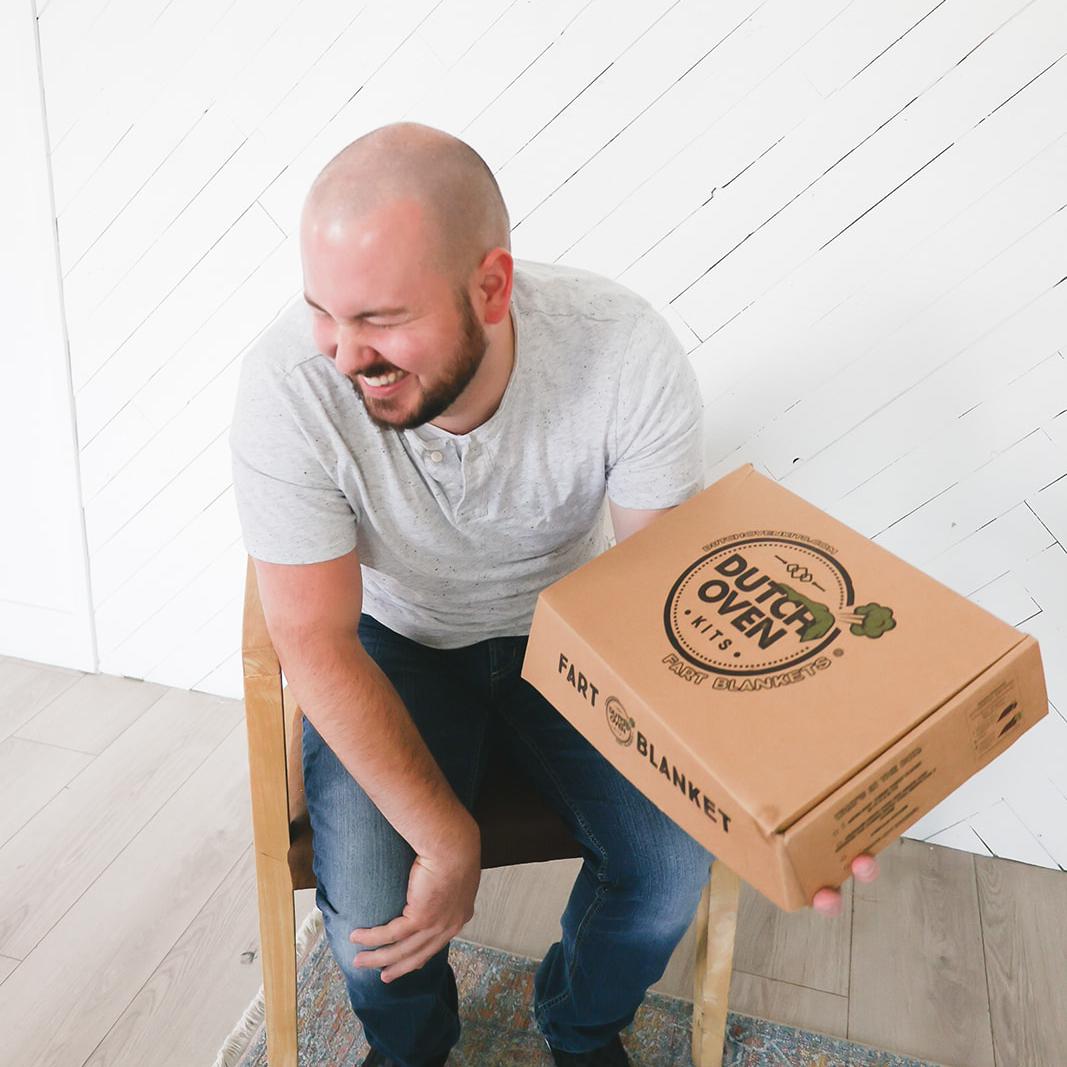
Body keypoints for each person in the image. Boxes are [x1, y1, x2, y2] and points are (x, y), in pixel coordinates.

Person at [229, 121, 880, 1067]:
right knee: (373, 914)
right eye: (323, 311)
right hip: (391, 643)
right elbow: (313, 640)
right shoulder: (289, 386)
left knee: (666, 872)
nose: (340, 352)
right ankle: (413, 1049)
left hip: (579, 632)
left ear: (491, 286)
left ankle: (576, 1025)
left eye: (379, 318)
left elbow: (673, 610)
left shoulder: (620, 350)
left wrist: (782, 796)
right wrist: (444, 840)